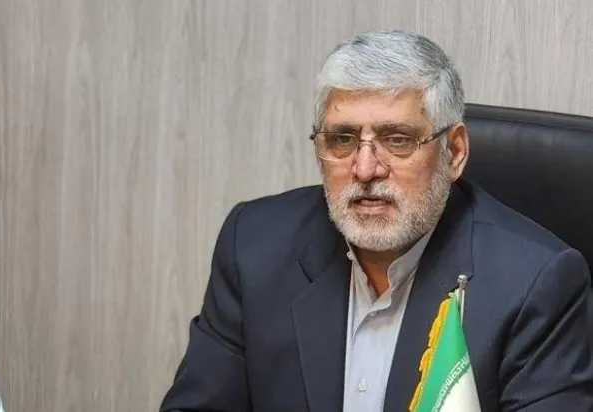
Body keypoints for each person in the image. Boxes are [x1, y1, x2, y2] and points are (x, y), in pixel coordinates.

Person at [159, 29, 593, 412]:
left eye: (397, 139)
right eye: (342, 139)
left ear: (455, 152)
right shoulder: (254, 245)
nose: (365, 169)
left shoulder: (535, 284)